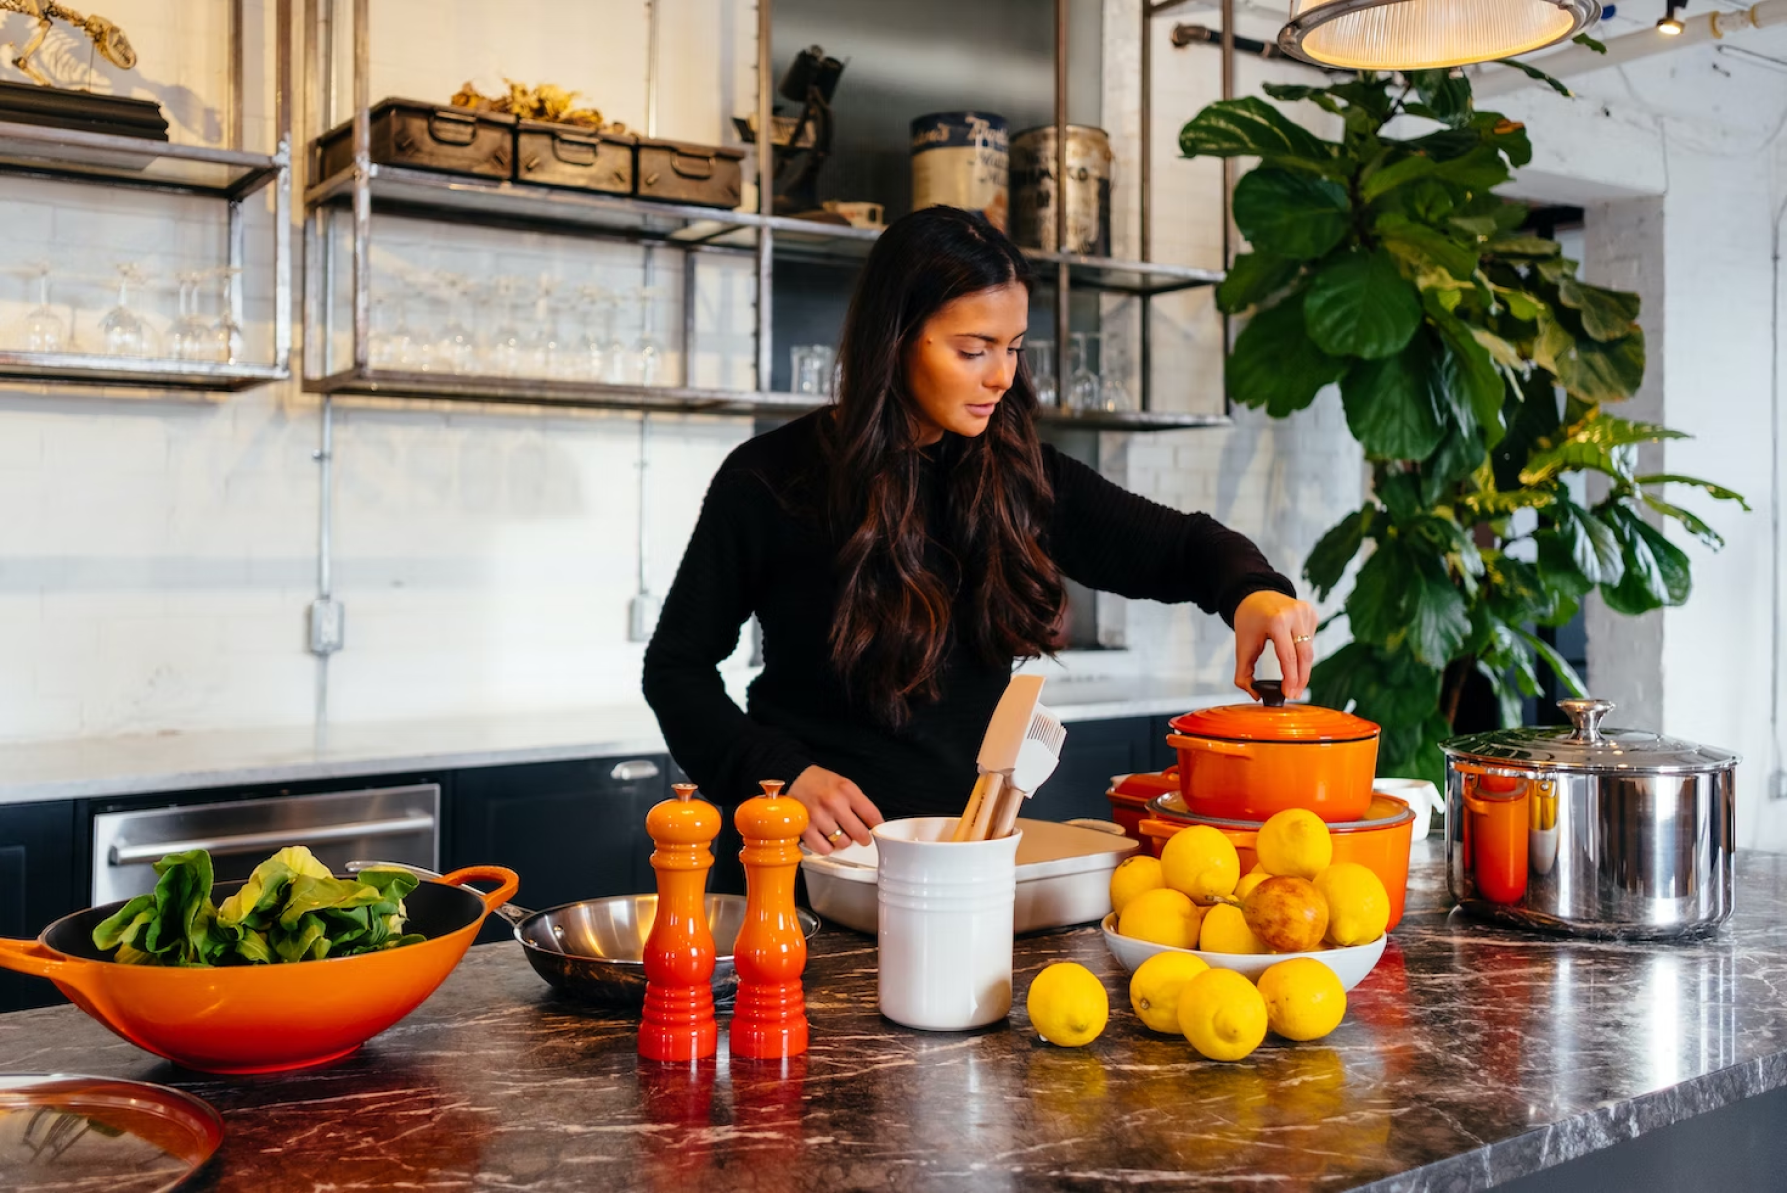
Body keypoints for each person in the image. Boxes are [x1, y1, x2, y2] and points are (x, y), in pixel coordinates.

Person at [643, 206, 1318, 856]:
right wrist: (781, 774)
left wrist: (1250, 590)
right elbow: (676, 668)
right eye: (973, 349)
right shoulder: (768, 478)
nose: (1000, 376)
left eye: (1013, 348)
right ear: (896, 336)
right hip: (803, 864)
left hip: (961, 863)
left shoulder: (1017, 474)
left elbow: (1181, 548)